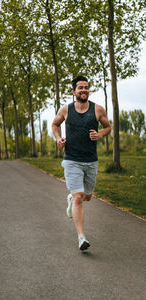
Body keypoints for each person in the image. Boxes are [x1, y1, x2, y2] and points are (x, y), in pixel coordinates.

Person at [52, 75, 111, 251]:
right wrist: (58, 139)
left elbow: (107, 127)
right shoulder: (66, 110)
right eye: (80, 87)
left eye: (86, 87)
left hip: (91, 161)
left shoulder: (98, 109)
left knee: (87, 196)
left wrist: (100, 134)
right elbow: (55, 125)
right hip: (71, 160)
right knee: (79, 199)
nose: (84, 90)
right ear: (74, 91)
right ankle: (81, 237)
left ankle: (72, 197)